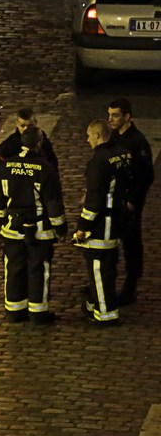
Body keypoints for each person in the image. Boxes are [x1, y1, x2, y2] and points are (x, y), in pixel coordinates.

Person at [0, 127, 66, 324]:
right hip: (39, 230)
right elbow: (53, 202)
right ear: (39, 143)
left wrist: (2, 219)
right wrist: (60, 228)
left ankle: (14, 310)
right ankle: (38, 312)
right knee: (38, 269)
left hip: (12, 227)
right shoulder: (45, 168)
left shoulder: (6, 166)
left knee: (13, 267)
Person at [74, 120, 132, 326]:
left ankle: (105, 314)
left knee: (99, 269)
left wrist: (82, 227)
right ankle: (93, 302)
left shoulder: (98, 161)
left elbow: (94, 200)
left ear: (98, 135)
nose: (87, 139)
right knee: (108, 266)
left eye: (89, 135)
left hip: (102, 225)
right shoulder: (123, 154)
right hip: (118, 219)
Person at [108, 98, 154, 305]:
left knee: (131, 243)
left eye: (115, 115)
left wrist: (132, 202)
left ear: (127, 117)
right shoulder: (116, 137)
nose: (110, 119)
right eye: (109, 115)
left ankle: (130, 286)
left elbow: (145, 176)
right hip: (116, 199)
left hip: (129, 202)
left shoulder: (137, 142)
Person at [0, 107, 60, 184]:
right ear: (17, 124)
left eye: (30, 126)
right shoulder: (6, 147)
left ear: (35, 123)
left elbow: (53, 168)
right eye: (22, 126)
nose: (26, 129)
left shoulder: (44, 143)